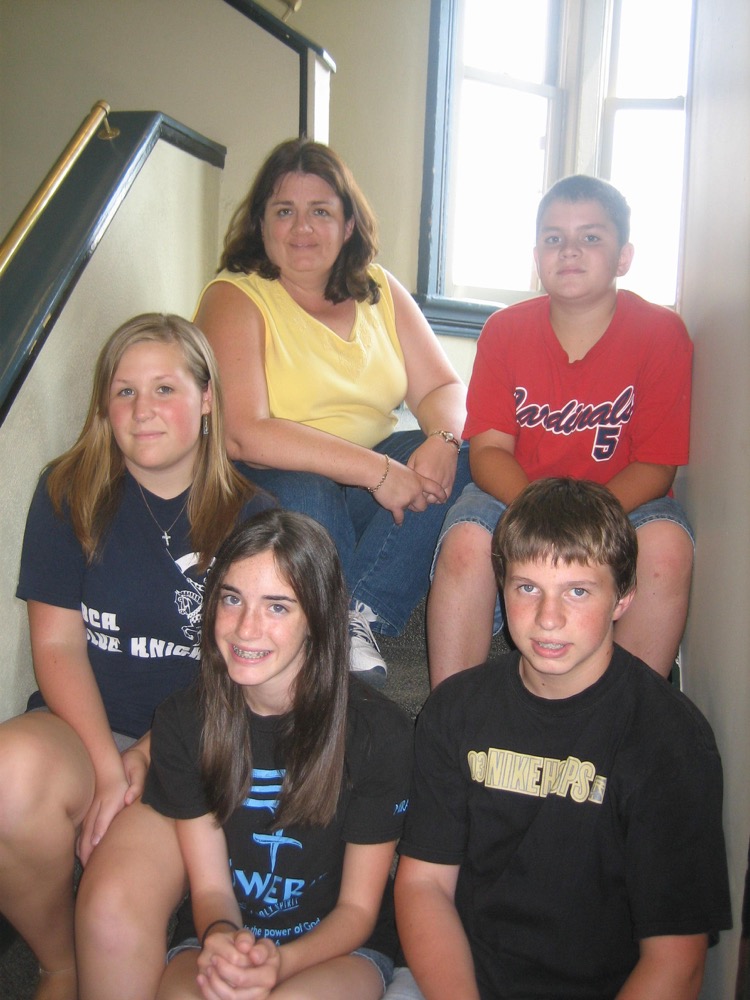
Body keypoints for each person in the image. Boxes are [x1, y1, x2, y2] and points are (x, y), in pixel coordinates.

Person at [0, 313, 272, 1000]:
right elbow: (56, 643)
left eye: (164, 389)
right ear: (104, 405)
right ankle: (58, 962)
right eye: (124, 391)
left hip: (190, 744)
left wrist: (146, 756)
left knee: (114, 910)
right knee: (7, 776)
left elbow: (242, 675)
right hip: (80, 728)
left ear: (206, 398)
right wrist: (105, 765)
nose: (142, 410)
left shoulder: (255, 518)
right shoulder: (67, 493)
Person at [395, 477, 732, 1000]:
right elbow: (424, 885)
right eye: (527, 588)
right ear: (501, 588)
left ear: (623, 598)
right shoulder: (454, 711)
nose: (548, 619)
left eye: (578, 591)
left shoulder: (670, 739)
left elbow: (675, 962)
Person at [193, 137, 470, 683]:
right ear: (260, 224)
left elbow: (443, 387)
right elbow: (242, 433)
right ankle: (331, 625)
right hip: (269, 481)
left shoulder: (379, 289)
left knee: (465, 457)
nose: (302, 228)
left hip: (366, 484)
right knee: (309, 490)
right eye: (284, 211)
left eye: (320, 211)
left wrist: (443, 440)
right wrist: (378, 471)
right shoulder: (234, 296)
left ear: (348, 225)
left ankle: (358, 609)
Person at [427, 175, 694, 686]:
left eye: (590, 237)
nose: (569, 250)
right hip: (518, 494)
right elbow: (489, 451)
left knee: (667, 548)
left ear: (624, 257)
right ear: (536, 256)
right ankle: (451, 709)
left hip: (623, 501)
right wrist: (541, 514)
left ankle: (628, 712)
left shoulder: (662, 333)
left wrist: (584, 521)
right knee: (465, 540)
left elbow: (657, 465)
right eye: (554, 238)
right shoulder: (503, 331)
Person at [142, 509, 413, 1000]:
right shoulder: (183, 722)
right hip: (219, 934)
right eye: (232, 599)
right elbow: (210, 889)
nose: (246, 629)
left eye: (277, 607)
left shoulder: (379, 733)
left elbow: (356, 911)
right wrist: (225, 941)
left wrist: (279, 963)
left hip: (340, 947)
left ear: (317, 619)